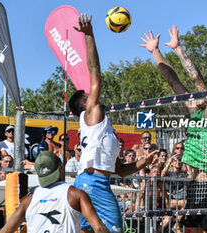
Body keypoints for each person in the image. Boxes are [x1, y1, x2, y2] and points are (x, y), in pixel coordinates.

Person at [68, 14, 158, 233]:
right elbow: (94, 71)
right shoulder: (93, 112)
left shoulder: (101, 128)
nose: (93, 92)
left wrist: (143, 163)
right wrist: (89, 35)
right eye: (88, 94)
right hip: (93, 184)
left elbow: (119, 170)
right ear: (85, 103)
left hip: (90, 182)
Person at [141, 25, 207, 233]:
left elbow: (196, 80)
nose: (198, 93)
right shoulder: (194, 110)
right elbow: (173, 81)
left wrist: (178, 49)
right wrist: (155, 52)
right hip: (195, 185)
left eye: (205, 91)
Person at [0, 151, 111, 233]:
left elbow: (6, 231)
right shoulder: (75, 194)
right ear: (60, 168)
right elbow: (99, 228)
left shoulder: (28, 201)